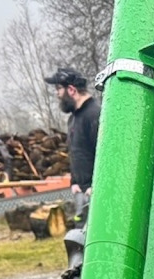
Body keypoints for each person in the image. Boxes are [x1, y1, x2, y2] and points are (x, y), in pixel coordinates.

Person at [43, 67, 100, 223]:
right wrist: (74, 182)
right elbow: (77, 153)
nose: (57, 94)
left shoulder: (94, 114)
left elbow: (105, 156)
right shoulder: (73, 119)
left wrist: (95, 186)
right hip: (80, 191)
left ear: (72, 90)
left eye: (59, 89)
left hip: (96, 192)